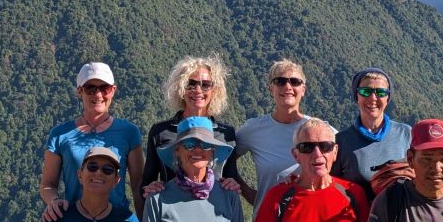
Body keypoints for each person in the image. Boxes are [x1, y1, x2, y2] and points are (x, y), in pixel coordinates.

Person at [39, 62, 144, 221]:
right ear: (79, 91)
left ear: (113, 91)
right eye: (91, 88)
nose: (98, 94)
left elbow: (138, 186)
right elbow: (47, 184)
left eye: (104, 88)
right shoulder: (60, 135)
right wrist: (54, 201)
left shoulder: (129, 132)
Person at [141, 56, 243, 194]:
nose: (198, 90)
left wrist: (233, 184)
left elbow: (230, 178)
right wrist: (150, 188)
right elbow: (147, 182)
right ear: (181, 88)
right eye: (191, 84)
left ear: (215, 90)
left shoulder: (226, 134)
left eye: (205, 85)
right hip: (172, 210)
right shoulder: (161, 132)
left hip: (213, 211)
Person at [235, 59, 312, 204]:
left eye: (294, 81)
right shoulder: (253, 129)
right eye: (280, 81)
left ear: (303, 90)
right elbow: (225, 159)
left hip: (308, 220)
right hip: (266, 219)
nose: (287, 86)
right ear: (271, 89)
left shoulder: (317, 131)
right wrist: (250, 194)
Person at [330, 67, 411, 201]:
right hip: (359, 219)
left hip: (400, 218)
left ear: (388, 97)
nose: (373, 98)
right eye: (365, 91)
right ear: (357, 96)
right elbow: (330, 186)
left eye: (380, 92)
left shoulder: (406, 133)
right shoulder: (341, 142)